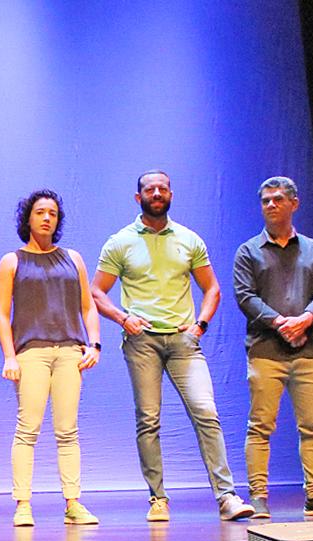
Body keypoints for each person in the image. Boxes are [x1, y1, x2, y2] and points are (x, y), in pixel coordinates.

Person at [91, 170, 254, 522]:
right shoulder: (120, 241)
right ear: (138, 198)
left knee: (206, 413)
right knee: (148, 420)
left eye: (162, 188)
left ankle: (227, 498)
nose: (157, 193)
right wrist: (123, 319)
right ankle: (158, 499)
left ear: (171, 194)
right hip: (142, 341)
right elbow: (95, 291)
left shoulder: (188, 239)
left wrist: (200, 325)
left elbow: (212, 288)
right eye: (150, 189)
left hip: (183, 341)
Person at [232, 176, 313, 519]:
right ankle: (259, 496)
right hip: (266, 349)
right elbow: (245, 296)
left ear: (294, 204)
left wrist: (305, 320)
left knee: (312, 426)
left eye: (278, 199)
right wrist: (280, 322)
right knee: (260, 426)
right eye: (265, 200)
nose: (271, 205)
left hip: (308, 350)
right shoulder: (248, 251)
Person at [0, 189, 102, 527]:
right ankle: (23, 504)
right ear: (28, 218)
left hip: (69, 351)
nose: (46, 218)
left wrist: (94, 343)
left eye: (53, 213)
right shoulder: (12, 261)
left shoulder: (73, 258)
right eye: (40, 212)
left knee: (68, 430)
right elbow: (1, 312)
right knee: (28, 428)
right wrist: (9, 357)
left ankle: (72, 503)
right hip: (32, 353)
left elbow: (88, 305)